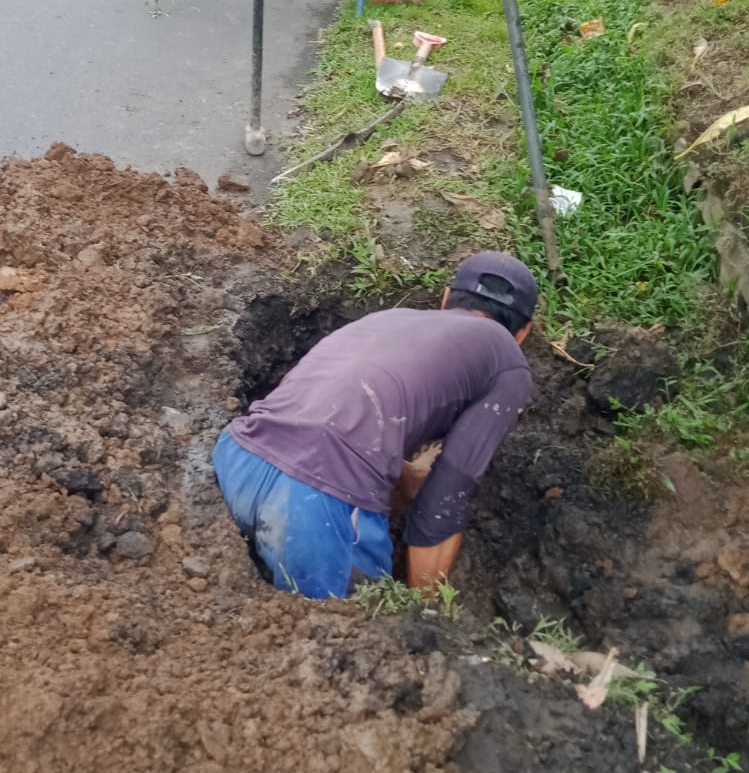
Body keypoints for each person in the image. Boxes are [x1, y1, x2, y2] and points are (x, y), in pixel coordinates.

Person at [213, 251, 538, 599]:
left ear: (446, 299)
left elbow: (333, 417)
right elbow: (447, 496)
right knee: (368, 622)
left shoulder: (390, 318)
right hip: (313, 508)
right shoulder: (508, 363)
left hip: (237, 459)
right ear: (523, 333)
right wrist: (426, 610)